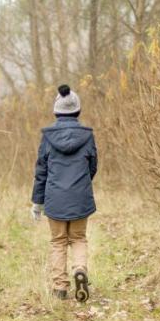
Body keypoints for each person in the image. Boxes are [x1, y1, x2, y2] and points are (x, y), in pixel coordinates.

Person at [31, 84, 98, 302]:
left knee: (58, 241)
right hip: (80, 198)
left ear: (56, 112)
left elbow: (41, 171)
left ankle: (59, 287)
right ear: (77, 111)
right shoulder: (87, 136)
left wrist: (37, 203)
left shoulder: (48, 138)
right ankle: (80, 269)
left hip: (55, 198)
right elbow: (93, 166)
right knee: (78, 238)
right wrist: (82, 185)